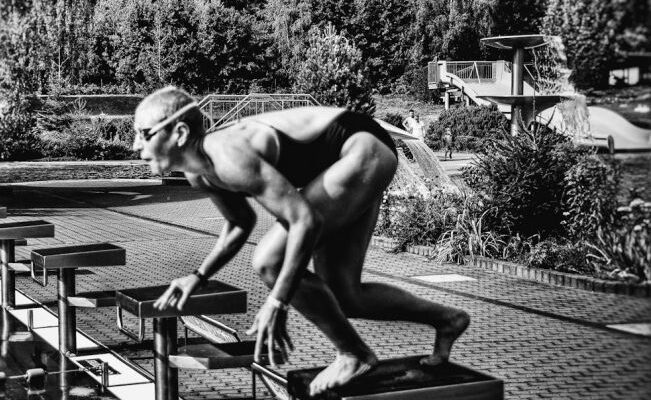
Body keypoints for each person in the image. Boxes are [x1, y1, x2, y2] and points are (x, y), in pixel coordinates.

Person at [136, 87, 469, 396]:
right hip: (352, 156)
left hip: (360, 146)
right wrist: (198, 276)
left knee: (268, 260)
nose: (136, 146)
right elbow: (240, 222)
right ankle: (448, 319)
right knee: (345, 295)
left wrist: (277, 301)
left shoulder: (229, 156)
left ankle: (353, 353)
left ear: (179, 133)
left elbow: (304, 221)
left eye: (144, 134)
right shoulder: (200, 173)